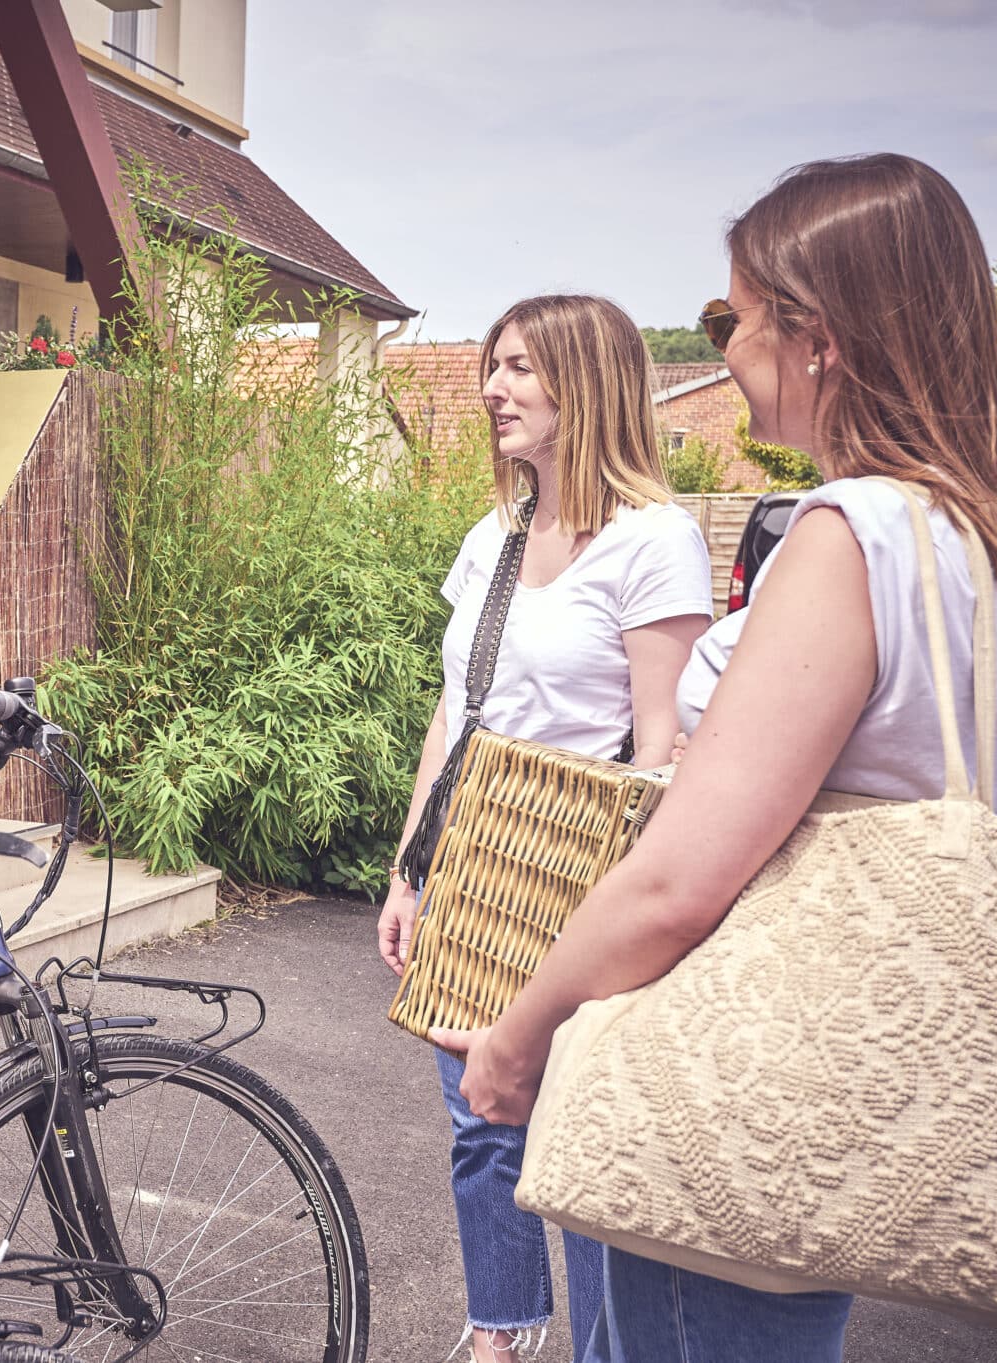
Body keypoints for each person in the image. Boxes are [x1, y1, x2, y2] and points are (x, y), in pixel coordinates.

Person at [444, 153, 997, 1362]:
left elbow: (681, 879)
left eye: (731, 318)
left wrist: (521, 1031)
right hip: (874, 1065)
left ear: (815, 338)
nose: (722, 349)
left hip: (753, 1067)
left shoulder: (850, 534)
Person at [378, 294, 716, 1360]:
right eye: (493, 365)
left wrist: (636, 914)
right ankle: (501, 1335)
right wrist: (409, 871)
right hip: (475, 865)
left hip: (585, 879)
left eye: (519, 367)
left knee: (581, 1141)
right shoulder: (495, 534)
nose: (492, 388)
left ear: (586, 381)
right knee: (481, 1125)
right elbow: (455, 712)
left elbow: (664, 748)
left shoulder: (653, 541)